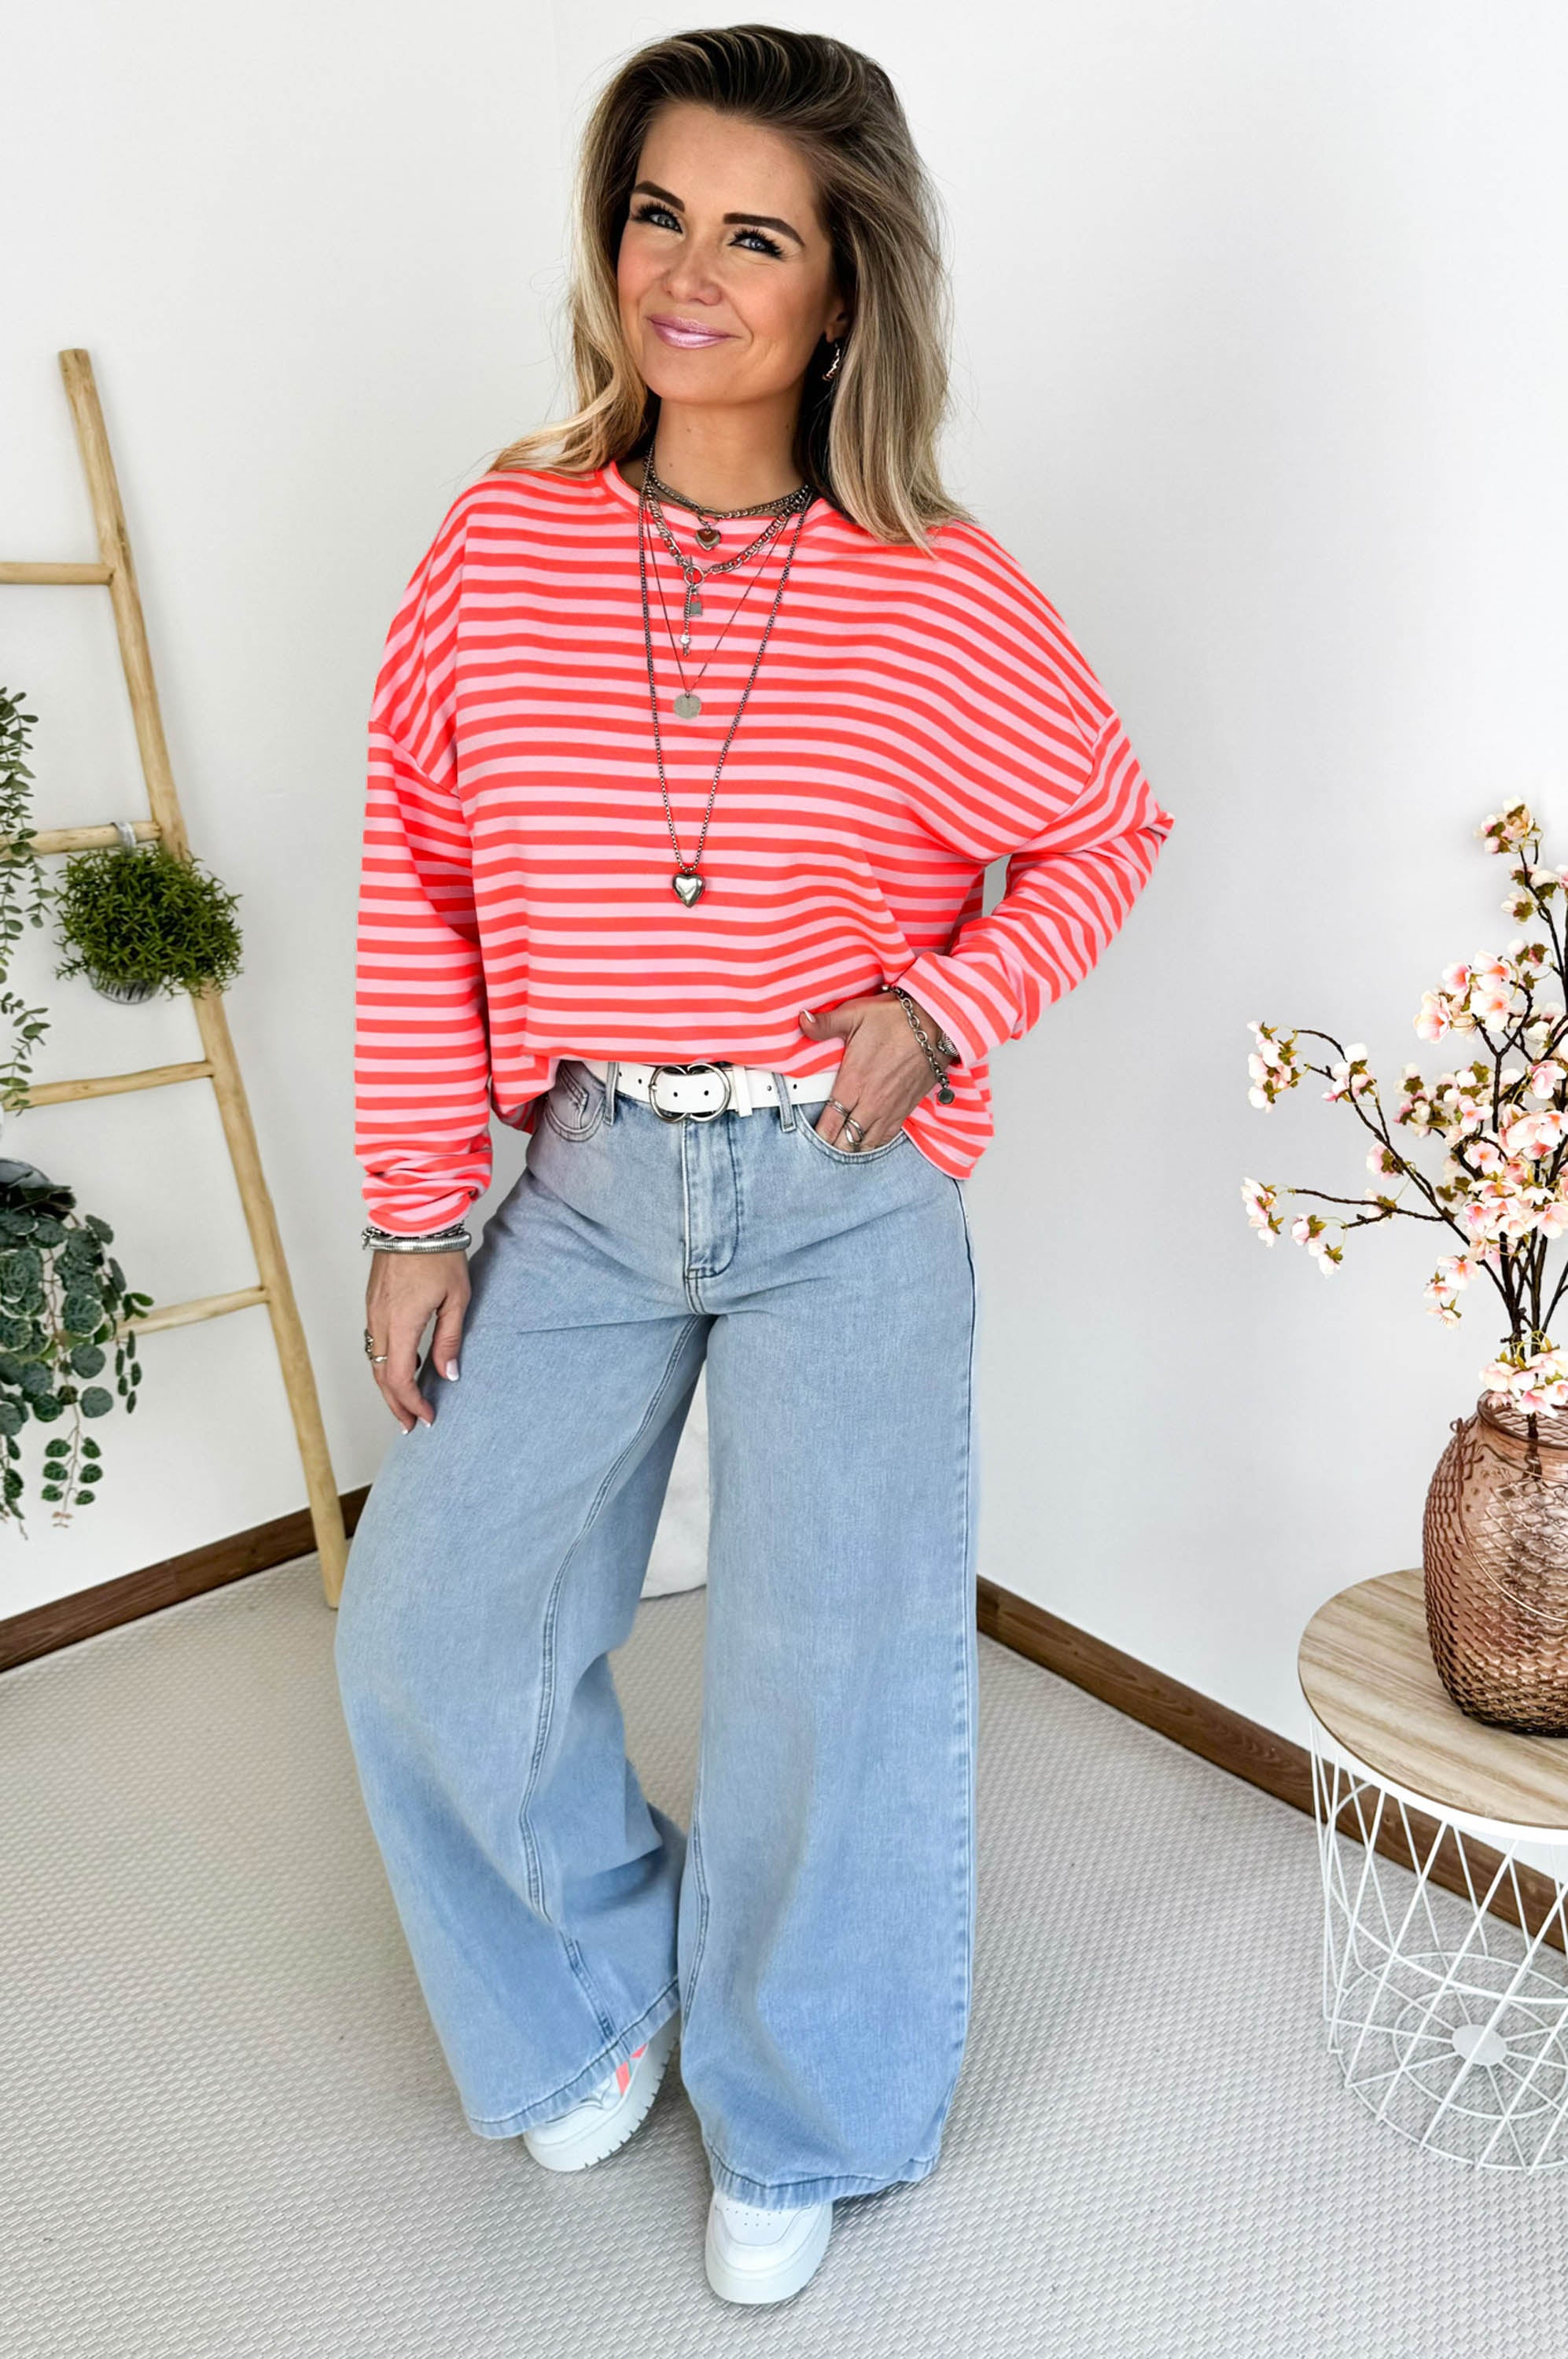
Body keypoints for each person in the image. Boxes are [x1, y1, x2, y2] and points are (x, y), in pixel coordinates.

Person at [334, 22, 1172, 2309]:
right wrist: (418, 1209)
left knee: (831, 1677)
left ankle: (801, 2106)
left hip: (839, 1190)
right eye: (654, 215)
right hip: (587, 1169)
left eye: (753, 236)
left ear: (843, 288)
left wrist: (951, 1007)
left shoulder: (937, 584)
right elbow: (421, 880)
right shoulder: (501, 546)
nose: (686, 276)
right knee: (431, 1630)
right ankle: (590, 1990)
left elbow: (1101, 832)